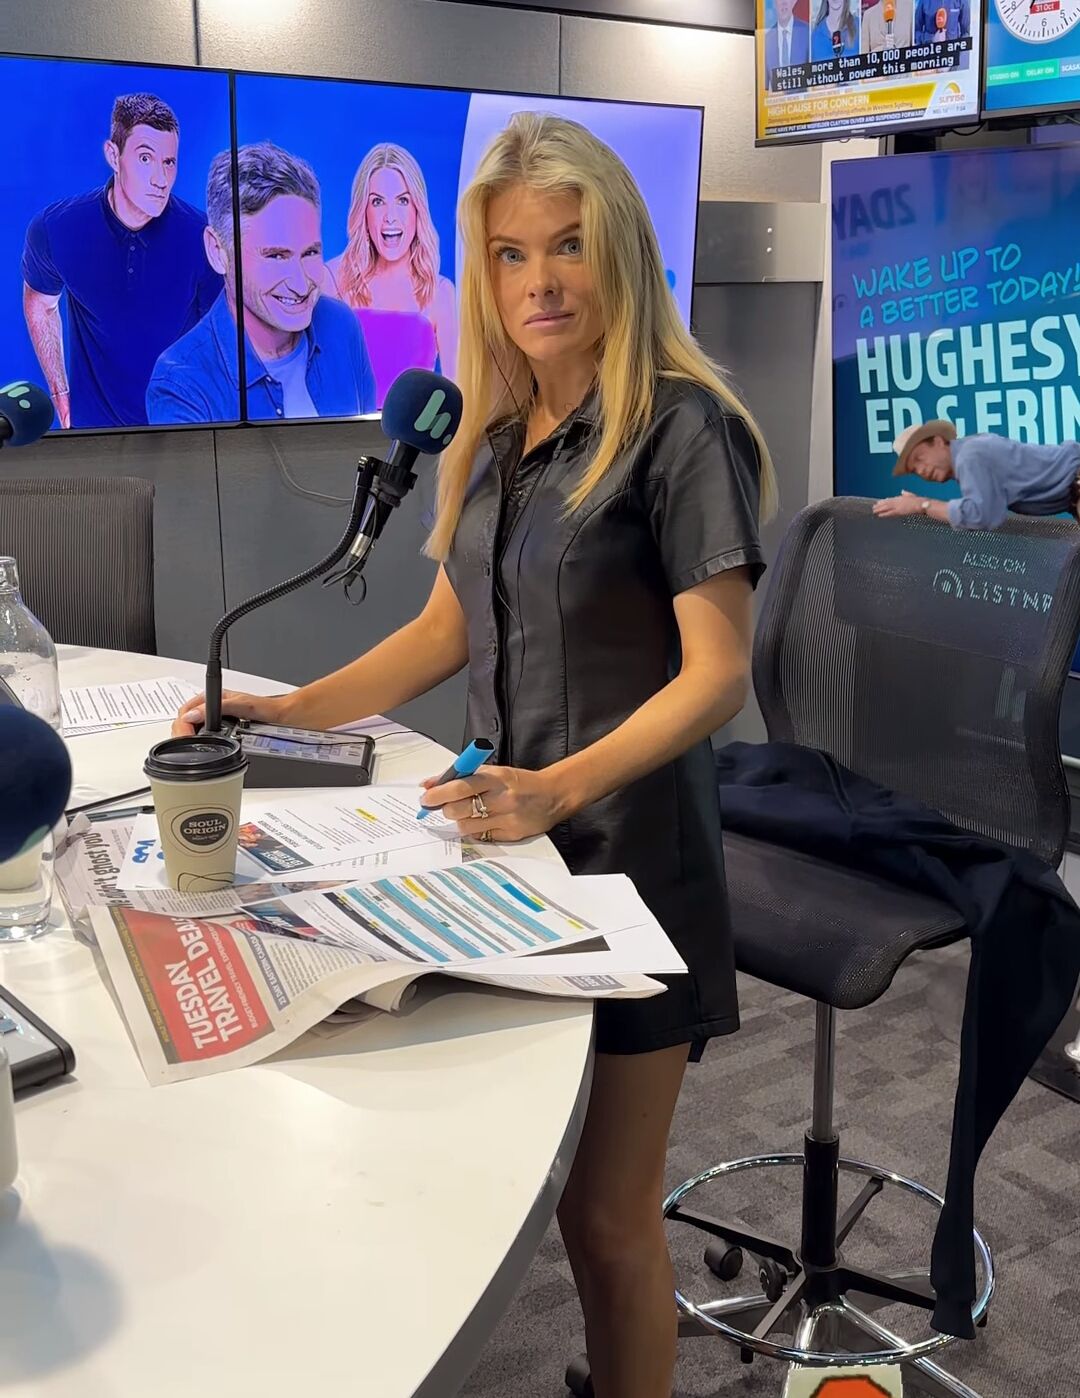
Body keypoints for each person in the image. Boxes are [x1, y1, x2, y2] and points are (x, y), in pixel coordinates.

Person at [173, 112, 776, 1398]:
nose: (539, 281)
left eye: (568, 246)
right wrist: (285, 712)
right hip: (505, 847)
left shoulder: (681, 430)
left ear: (620, 253)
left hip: (628, 862)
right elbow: (446, 629)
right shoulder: (498, 438)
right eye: (509, 254)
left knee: (605, 1217)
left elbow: (718, 674)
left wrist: (558, 785)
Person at [21, 92, 218, 430]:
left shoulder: (204, 239)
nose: (161, 180)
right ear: (114, 155)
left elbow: (222, 338)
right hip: (93, 436)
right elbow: (40, 302)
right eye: (145, 158)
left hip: (182, 433)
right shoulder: (58, 228)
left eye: (169, 162)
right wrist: (59, 390)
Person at [147, 142, 376, 424]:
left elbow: (372, 446)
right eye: (276, 256)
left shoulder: (342, 326)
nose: (300, 285)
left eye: (310, 253)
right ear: (218, 252)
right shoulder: (181, 385)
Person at [325, 143, 458, 404]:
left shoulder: (441, 293)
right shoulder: (331, 280)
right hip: (341, 428)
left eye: (402, 200)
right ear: (363, 211)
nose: (390, 217)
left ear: (417, 209)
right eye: (377, 202)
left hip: (415, 430)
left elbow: (458, 401)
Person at [873, 419, 1080, 528]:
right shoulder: (969, 454)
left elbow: (980, 515)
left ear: (938, 441)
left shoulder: (969, 456)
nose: (921, 470)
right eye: (914, 470)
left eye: (919, 458)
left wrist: (921, 505)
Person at [765, 0, 811, 86]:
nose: (784, 3)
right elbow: (764, 86)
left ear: (793, 2)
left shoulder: (807, 32)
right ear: (775, 3)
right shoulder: (766, 40)